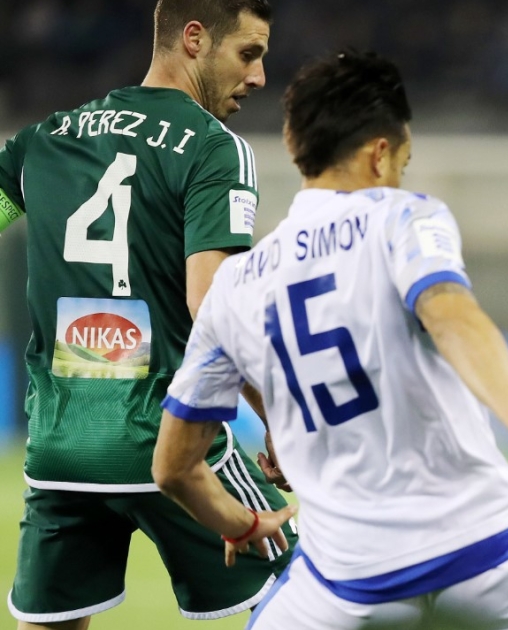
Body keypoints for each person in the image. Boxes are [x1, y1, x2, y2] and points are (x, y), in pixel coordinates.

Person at [150, 49, 508, 630]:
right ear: (379, 154)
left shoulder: (235, 285)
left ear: (297, 148)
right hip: (486, 551)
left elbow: (172, 467)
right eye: (404, 161)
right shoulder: (402, 218)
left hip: (342, 582)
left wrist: (238, 524)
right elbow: (452, 316)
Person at [0, 1, 297, 628]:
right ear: (195, 39)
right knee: (309, 597)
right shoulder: (214, 149)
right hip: (164, 441)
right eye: (248, 53)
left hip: (60, 447)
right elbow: (211, 304)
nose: (259, 76)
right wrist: (276, 416)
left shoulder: (41, 141)